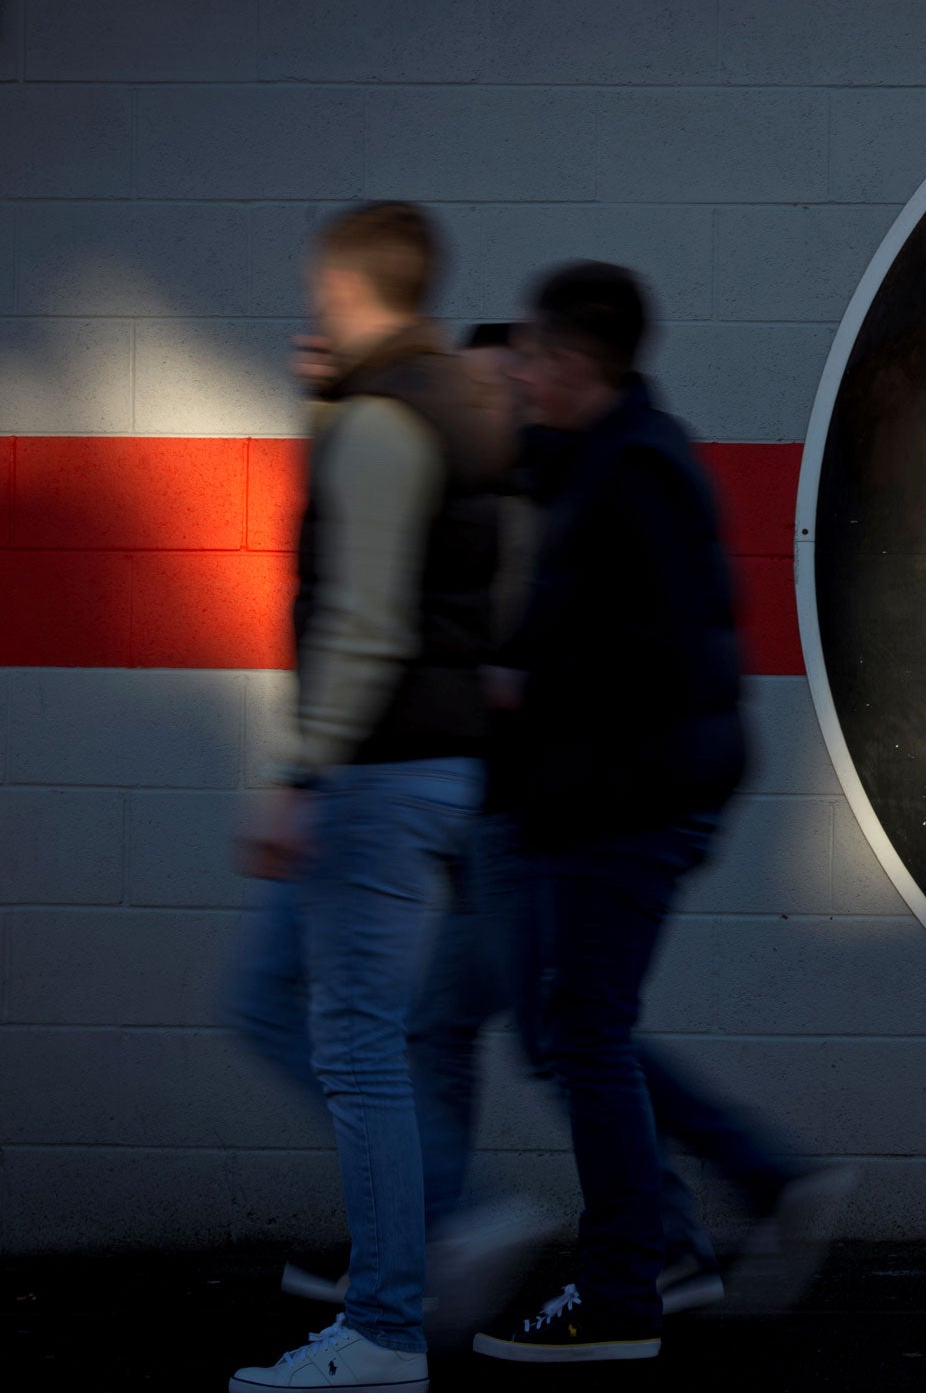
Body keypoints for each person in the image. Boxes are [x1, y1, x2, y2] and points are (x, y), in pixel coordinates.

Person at [471, 262, 851, 1365]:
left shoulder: (637, 474)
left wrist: (523, 685)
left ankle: (625, 1288)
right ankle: (712, 1218)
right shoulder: (593, 456)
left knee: (579, 1035)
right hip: (604, 801)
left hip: (629, 808)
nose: (521, 373)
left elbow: (658, 662)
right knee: (574, 1031)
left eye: (535, 357)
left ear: (578, 364)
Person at [227, 203, 510, 1393]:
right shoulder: (433, 402)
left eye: (320, 289)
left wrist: (304, 772)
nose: (312, 308)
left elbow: (362, 611)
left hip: (380, 771)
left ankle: (389, 1322)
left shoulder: (387, 421)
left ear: (348, 285)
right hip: (433, 767)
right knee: (277, 1004)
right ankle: (449, 1223)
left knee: (354, 1046)